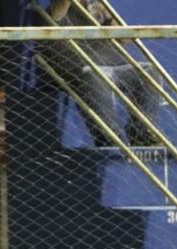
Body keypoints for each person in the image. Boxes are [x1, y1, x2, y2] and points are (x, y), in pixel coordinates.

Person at [44, 0, 161, 147]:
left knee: (149, 70)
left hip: (114, 66)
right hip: (86, 69)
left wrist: (109, 18)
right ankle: (113, 141)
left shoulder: (98, 7)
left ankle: (142, 134)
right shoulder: (59, 7)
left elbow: (125, 38)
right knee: (94, 76)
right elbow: (57, 12)